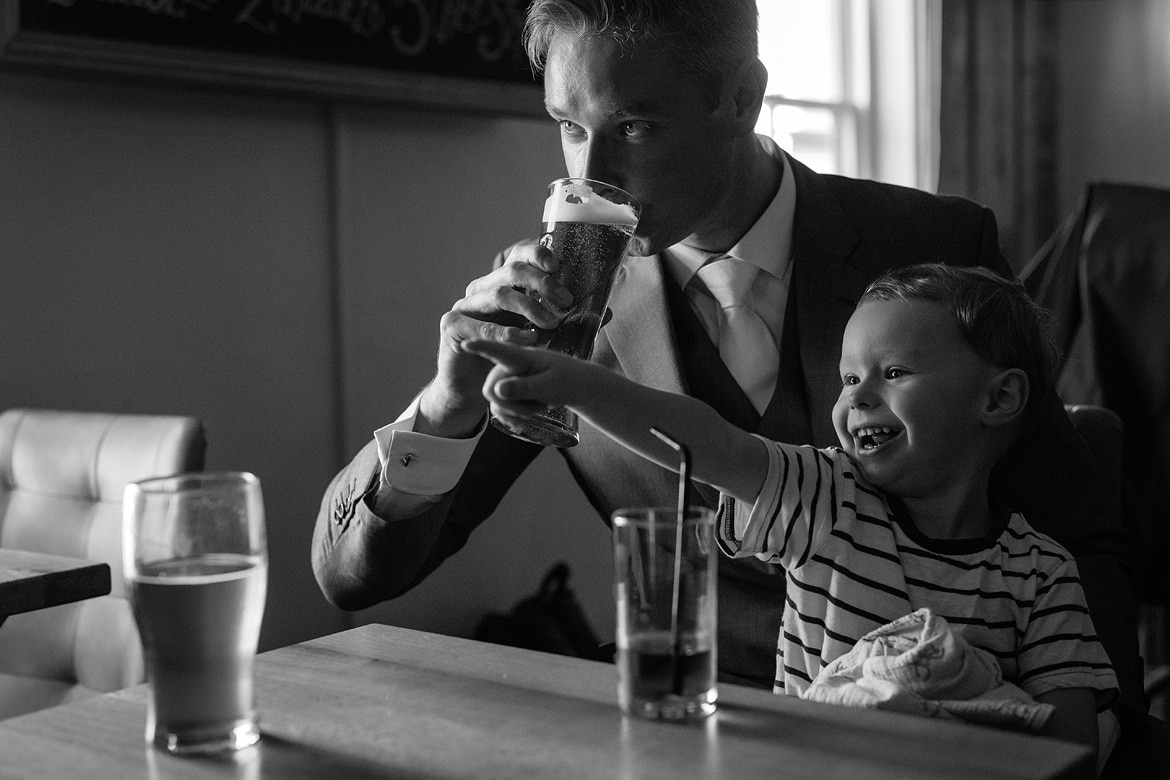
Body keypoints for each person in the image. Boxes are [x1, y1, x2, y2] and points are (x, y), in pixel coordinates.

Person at [312, 0, 1141, 716]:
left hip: (924, 727)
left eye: (633, 126)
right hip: (680, 719)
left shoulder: (936, 243)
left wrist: (1096, 738)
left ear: (741, 97)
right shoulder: (556, 305)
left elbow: (1071, 531)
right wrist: (446, 401)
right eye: (569, 128)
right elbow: (352, 579)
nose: (592, 174)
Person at [464, 263, 1118, 769]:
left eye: (893, 372)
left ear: (999, 397)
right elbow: (709, 442)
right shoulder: (827, 496)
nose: (858, 399)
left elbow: (1070, 747)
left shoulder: (1041, 572)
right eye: (848, 379)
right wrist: (571, 381)